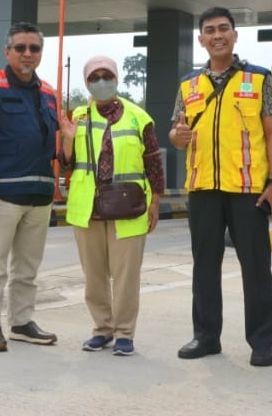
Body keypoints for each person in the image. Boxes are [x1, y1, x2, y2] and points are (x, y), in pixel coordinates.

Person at [168, 6, 272, 367]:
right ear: (201, 39)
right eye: (209, 30)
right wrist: (179, 136)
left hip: (248, 188)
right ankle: (206, 336)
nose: (217, 35)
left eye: (223, 29)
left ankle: (261, 343)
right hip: (203, 188)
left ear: (235, 35)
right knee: (204, 265)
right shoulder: (188, 84)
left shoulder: (260, 78)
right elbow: (176, 133)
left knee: (256, 267)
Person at [0, 21, 74, 352]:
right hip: (2, 195)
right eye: (21, 48)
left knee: (28, 268)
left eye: (34, 48)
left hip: (40, 196)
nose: (28, 54)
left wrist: (69, 142)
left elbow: (54, 147)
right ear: (8, 52)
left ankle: (21, 322)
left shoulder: (48, 94)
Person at [60, 55, 165, 356]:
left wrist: (155, 201)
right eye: (95, 77)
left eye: (107, 76)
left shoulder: (138, 117)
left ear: (117, 80)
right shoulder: (78, 118)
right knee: (94, 277)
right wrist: (68, 140)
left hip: (130, 208)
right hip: (88, 209)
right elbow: (67, 163)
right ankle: (102, 330)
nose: (101, 82)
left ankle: (124, 334)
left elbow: (153, 163)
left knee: (126, 276)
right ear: (87, 83)